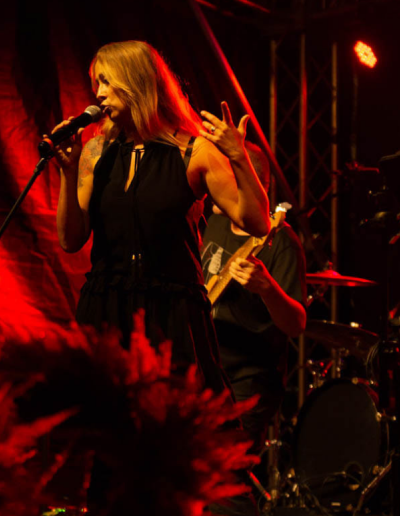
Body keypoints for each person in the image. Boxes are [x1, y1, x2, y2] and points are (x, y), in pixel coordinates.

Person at [50, 40, 270, 395]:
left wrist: (239, 158)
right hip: (106, 307)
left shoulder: (194, 151)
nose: (99, 93)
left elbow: (258, 223)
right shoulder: (95, 152)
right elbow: (70, 239)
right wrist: (68, 170)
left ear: (136, 82)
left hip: (171, 312)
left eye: (106, 81)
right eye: (96, 84)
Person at [201, 141, 306, 476]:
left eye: (221, 179)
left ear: (248, 187)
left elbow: (296, 324)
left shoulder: (281, 242)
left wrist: (267, 288)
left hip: (247, 383)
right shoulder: (214, 222)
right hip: (205, 372)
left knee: (225, 480)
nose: (211, 186)